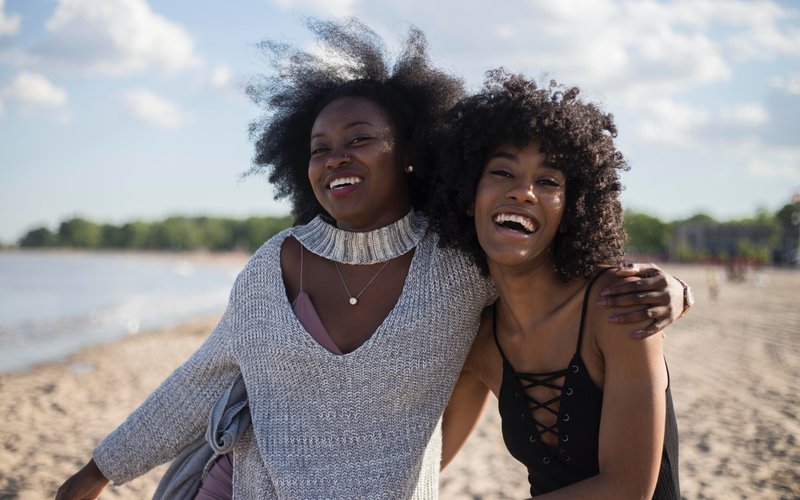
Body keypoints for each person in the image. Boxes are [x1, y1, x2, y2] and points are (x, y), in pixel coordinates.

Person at [56, 20, 686, 499]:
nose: (337, 157)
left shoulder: (459, 265)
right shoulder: (273, 265)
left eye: (360, 140)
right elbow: (202, 381)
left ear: (409, 153)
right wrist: (97, 472)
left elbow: (547, 263)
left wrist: (672, 289)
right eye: (320, 147)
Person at [432, 71, 681, 498]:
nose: (524, 192)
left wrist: (680, 291)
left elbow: (627, 489)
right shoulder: (480, 339)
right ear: (467, 194)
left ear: (573, 207)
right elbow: (425, 461)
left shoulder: (615, 306)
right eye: (502, 172)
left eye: (548, 181)